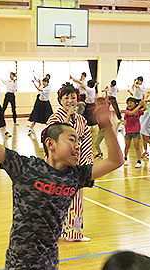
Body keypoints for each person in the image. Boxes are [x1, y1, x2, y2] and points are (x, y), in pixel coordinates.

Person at [0, 75, 124, 269]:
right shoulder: (25, 167)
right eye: (71, 140)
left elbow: (115, 161)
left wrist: (107, 126)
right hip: (20, 262)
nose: (77, 146)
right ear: (50, 144)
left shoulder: (75, 176)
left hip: (50, 261)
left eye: (78, 141)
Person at [46, 82, 94, 242]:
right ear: (60, 100)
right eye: (66, 98)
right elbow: (49, 139)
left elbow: (86, 140)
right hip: (57, 167)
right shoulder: (55, 118)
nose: (70, 101)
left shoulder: (81, 119)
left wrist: (86, 163)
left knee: (76, 200)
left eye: (73, 97)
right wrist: (65, 122)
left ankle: (74, 233)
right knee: (55, 200)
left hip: (75, 166)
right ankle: (52, 231)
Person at [124, 97, 146, 168]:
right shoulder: (126, 112)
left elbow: (145, 108)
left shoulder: (138, 111)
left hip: (136, 131)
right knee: (127, 146)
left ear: (135, 104)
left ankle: (139, 161)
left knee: (137, 146)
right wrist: (139, 105)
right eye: (128, 103)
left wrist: (144, 102)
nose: (129, 104)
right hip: (128, 131)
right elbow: (132, 113)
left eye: (131, 103)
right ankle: (125, 158)